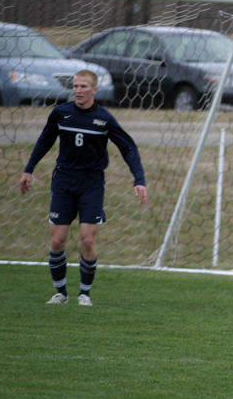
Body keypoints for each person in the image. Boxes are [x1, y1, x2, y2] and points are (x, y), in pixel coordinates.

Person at [19, 70, 147, 306]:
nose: (78, 90)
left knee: (88, 240)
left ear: (94, 90)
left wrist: (139, 179)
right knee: (57, 240)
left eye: (83, 87)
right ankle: (61, 293)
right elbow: (45, 139)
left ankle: (85, 294)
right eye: (75, 86)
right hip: (64, 181)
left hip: (91, 183)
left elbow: (128, 148)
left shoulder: (104, 119)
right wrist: (29, 169)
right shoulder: (61, 113)